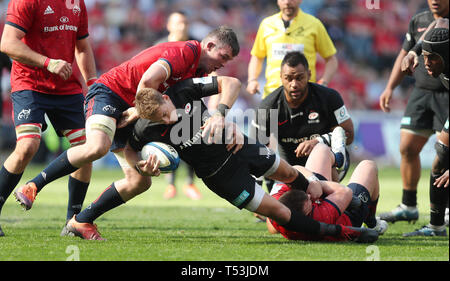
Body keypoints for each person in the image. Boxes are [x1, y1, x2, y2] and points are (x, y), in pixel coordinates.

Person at [65, 75, 378, 242]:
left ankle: (329, 201)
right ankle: (341, 232)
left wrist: (219, 114)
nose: (169, 118)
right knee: (277, 212)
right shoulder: (144, 128)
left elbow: (231, 83)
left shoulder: (184, 89)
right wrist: (142, 166)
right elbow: (131, 153)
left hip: (240, 146)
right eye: (162, 120)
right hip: (221, 177)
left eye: (166, 111)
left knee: (295, 178)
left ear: (165, 97)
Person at [13, 26, 240, 226]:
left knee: (140, 181)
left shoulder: (197, 70)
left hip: (136, 108)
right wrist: (136, 111)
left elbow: (190, 106)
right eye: (223, 56)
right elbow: (148, 82)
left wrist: (225, 127)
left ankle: (80, 222)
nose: (222, 64)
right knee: (97, 147)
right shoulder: (186, 52)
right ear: (209, 45)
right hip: (111, 94)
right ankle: (33, 185)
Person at [0, 0, 97, 237]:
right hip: (29, 83)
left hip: (66, 88)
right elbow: (7, 43)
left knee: (87, 149)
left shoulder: (77, 3)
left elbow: (82, 47)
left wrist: (94, 85)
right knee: (27, 146)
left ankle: (73, 221)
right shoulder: (27, 1)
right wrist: (48, 62)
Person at [378, 0, 449, 223]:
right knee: (407, 147)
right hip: (421, 93)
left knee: (444, 154)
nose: (435, 1)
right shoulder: (418, 21)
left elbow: (442, 23)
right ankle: (409, 205)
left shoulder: (445, 22)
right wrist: (390, 86)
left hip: (446, 94)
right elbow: (405, 53)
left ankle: (444, 209)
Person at [252, 51, 353, 188]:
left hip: (327, 164)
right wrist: (255, 194)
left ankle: (331, 198)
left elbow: (349, 134)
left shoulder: (329, 98)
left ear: (309, 75)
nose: (294, 84)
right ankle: (276, 184)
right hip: (289, 168)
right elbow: (257, 152)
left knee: (323, 158)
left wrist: (318, 141)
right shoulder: (268, 107)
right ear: (281, 77)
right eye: (288, 78)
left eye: (300, 78)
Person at [266, 150, 387, 242]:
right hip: (348, 214)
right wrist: (318, 184)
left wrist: (313, 181)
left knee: (321, 150)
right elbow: (345, 193)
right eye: (309, 199)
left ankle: (337, 159)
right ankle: (371, 222)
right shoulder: (321, 216)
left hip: (323, 202)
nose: (309, 196)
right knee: (368, 165)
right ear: (308, 211)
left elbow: (295, 169)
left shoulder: (278, 206)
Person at [401, 26, 449, 236]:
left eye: (432, 58)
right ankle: (437, 227)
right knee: (442, 157)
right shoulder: (441, 61)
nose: (426, 63)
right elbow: (440, 24)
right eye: (425, 57)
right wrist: (414, 51)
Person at [247, 0, 338, 98]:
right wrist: (252, 80)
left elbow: (331, 59)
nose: (287, 2)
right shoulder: (267, 24)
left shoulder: (314, 24)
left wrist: (324, 82)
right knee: (263, 113)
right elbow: (257, 56)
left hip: (304, 97)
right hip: (272, 95)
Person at [154, 10, 201, 200]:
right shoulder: (160, 46)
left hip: (191, 100)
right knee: (168, 141)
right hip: (167, 102)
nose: (182, 26)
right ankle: (170, 185)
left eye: (185, 22)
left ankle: (190, 183)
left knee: (192, 141)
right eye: (178, 22)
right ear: (169, 26)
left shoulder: (197, 46)